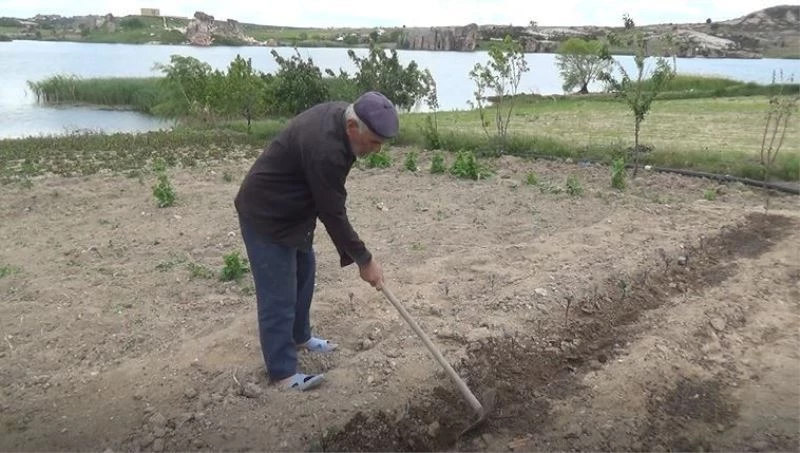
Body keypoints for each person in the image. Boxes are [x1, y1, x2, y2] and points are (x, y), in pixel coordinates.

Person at [233, 91, 399, 391]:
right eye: (374, 141)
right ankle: (283, 374)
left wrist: (360, 258)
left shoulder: (342, 119)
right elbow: (333, 212)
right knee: (279, 295)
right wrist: (365, 260)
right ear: (353, 127)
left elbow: (327, 203)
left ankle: (300, 337)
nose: (377, 149)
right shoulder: (326, 150)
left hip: (295, 212)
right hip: (267, 214)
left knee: (304, 275)